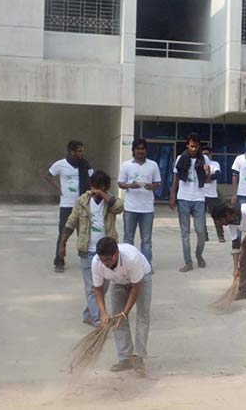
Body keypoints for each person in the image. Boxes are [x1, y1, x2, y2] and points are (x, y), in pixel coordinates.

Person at [58, 170, 123, 327]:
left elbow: (119, 208)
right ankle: (97, 318)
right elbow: (71, 222)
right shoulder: (82, 201)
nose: (96, 192)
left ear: (106, 187)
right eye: (95, 187)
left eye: (101, 188)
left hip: (107, 251)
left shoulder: (111, 201)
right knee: (93, 287)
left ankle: (88, 313)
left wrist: (103, 194)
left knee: (104, 286)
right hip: (87, 251)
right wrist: (62, 243)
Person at [91, 237, 151, 376]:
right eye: (102, 259)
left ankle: (139, 358)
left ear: (116, 253)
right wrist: (103, 313)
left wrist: (125, 312)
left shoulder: (131, 258)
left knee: (143, 316)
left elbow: (136, 287)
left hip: (141, 278)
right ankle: (125, 358)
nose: (105, 263)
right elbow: (97, 289)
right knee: (117, 320)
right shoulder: (96, 262)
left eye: (108, 260)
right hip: (118, 282)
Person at [46, 140, 94, 273]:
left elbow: (92, 181)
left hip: (83, 204)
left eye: (82, 151)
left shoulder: (85, 165)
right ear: (72, 152)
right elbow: (48, 176)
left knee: (84, 233)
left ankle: (86, 261)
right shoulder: (60, 164)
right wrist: (58, 189)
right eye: (79, 151)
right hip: (66, 205)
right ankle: (59, 261)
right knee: (63, 233)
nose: (82, 153)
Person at [169, 133, 211, 272]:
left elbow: (207, 180)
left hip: (199, 198)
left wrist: (208, 171)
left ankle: (199, 255)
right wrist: (172, 195)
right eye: (191, 146)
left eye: (196, 146)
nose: (194, 149)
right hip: (183, 198)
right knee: (185, 233)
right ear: (187, 145)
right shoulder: (181, 158)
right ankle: (188, 262)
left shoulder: (204, 158)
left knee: (201, 232)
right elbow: (176, 178)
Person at [118, 138, 161, 265]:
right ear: (133, 150)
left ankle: (146, 264)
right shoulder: (126, 165)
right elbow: (120, 183)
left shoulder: (153, 165)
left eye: (142, 149)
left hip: (147, 208)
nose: (140, 151)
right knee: (128, 238)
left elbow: (158, 183)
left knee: (146, 239)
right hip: (130, 208)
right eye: (138, 149)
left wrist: (151, 186)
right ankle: (127, 264)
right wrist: (131, 186)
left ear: (146, 150)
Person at [201, 146, 225, 243]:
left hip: (212, 195)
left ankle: (220, 235)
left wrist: (208, 178)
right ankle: (204, 236)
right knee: (201, 217)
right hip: (200, 194)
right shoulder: (199, 164)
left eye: (207, 154)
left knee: (216, 215)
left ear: (210, 154)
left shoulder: (215, 164)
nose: (205, 156)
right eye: (204, 154)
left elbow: (217, 174)